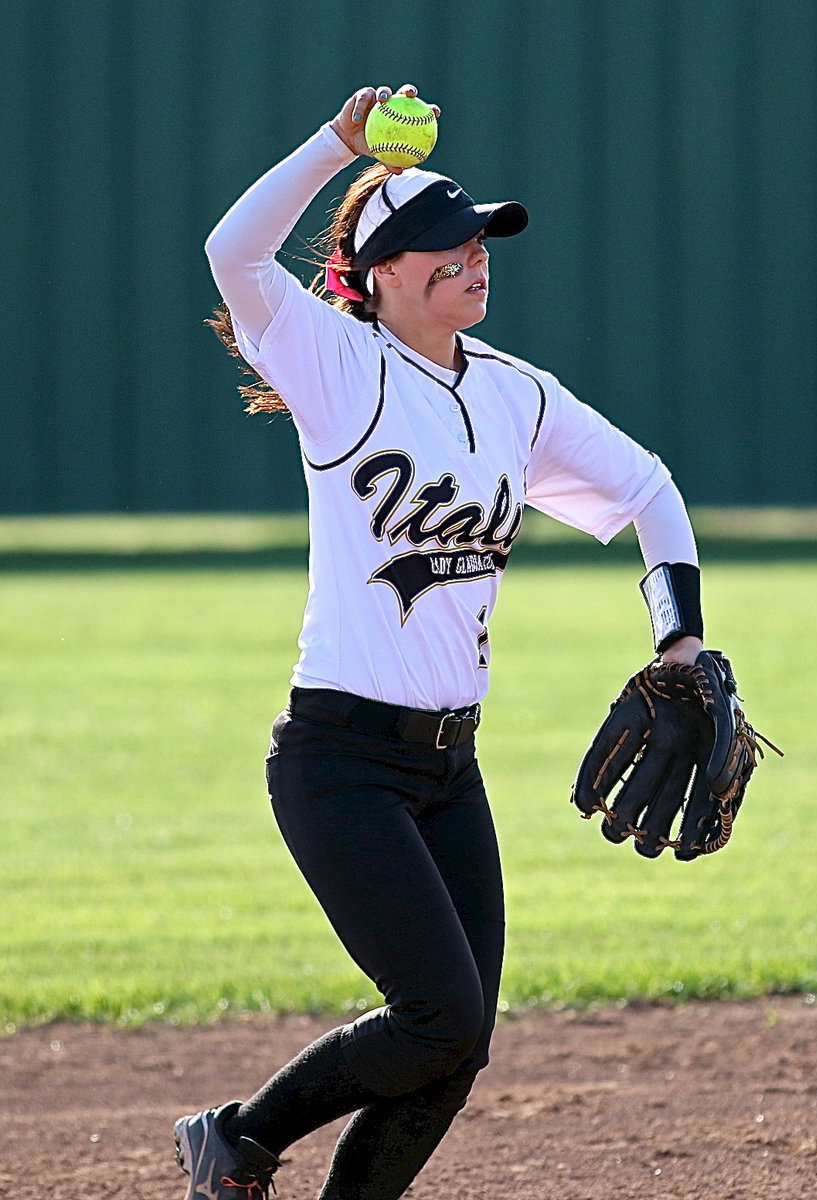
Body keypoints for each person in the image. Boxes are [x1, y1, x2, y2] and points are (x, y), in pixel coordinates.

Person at [175, 83, 705, 1200]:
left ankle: (260, 1163)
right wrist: (335, 145)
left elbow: (648, 489)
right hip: (339, 759)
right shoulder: (336, 364)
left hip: (449, 769)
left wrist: (680, 644)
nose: (472, 258)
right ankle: (236, 1138)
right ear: (378, 275)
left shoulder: (514, 395)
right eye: (443, 246)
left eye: (478, 242)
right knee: (437, 1014)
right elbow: (233, 253)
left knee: (457, 1046)